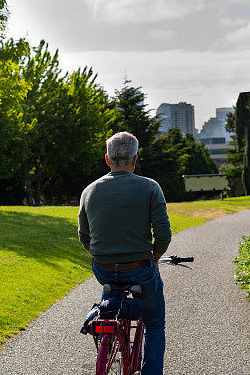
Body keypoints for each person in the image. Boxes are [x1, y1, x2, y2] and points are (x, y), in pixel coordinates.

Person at [78, 131, 172, 375]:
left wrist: (102, 257)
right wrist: (155, 257)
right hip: (140, 268)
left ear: (107, 160)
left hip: (104, 270)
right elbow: (163, 234)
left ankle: (108, 339)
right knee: (154, 325)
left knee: (111, 289)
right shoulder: (150, 187)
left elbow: (84, 237)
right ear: (135, 159)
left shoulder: (89, 191)